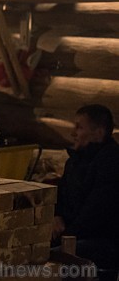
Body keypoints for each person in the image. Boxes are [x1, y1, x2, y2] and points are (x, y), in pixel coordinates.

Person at [53, 104, 119, 270]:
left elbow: (96, 213)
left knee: (46, 256)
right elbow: (60, 195)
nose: (73, 133)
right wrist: (56, 216)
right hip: (71, 234)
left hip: (102, 241)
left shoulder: (111, 163)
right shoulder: (74, 160)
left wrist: (64, 238)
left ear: (99, 133)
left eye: (79, 127)